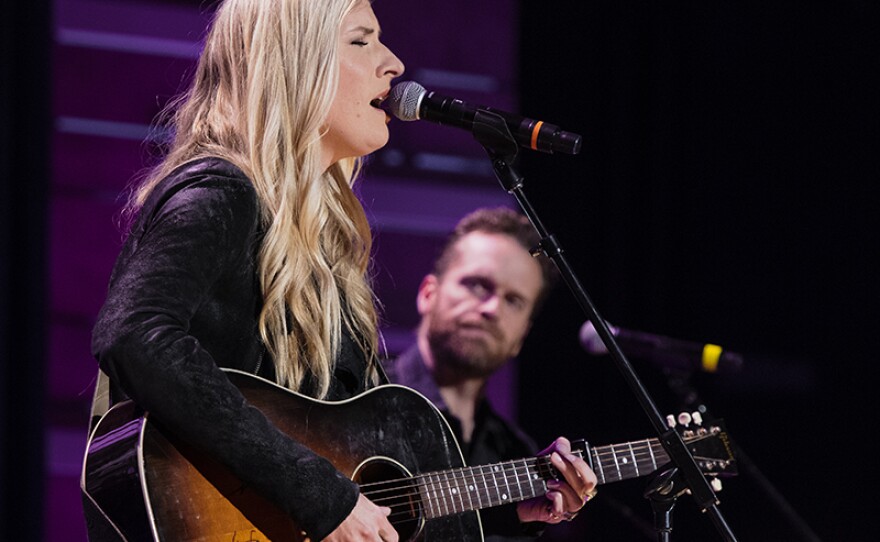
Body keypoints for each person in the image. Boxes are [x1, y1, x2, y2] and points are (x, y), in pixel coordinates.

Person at [86, 1, 405, 540]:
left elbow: (371, 483)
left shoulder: (326, 241)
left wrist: (508, 506)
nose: (393, 62)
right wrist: (315, 493)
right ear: (293, 62)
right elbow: (132, 333)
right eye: (361, 40)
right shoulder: (220, 193)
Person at [385, 207, 598, 541]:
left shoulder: (518, 456)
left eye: (513, 300)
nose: (491, 309)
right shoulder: (353, 392)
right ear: (429, 294)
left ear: (521, 337)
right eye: (477, 285)